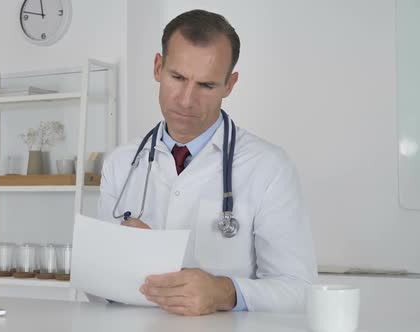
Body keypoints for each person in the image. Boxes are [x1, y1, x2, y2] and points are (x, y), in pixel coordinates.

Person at [97, 9, 317, 315]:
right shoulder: (120, 164)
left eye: (207, 85)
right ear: (158, 67)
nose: (187, 100)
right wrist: (122, 260)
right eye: (177, 77)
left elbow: (299, 289)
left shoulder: (269, 167)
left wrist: (227, 292)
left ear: (230, 84)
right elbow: (97, 286)